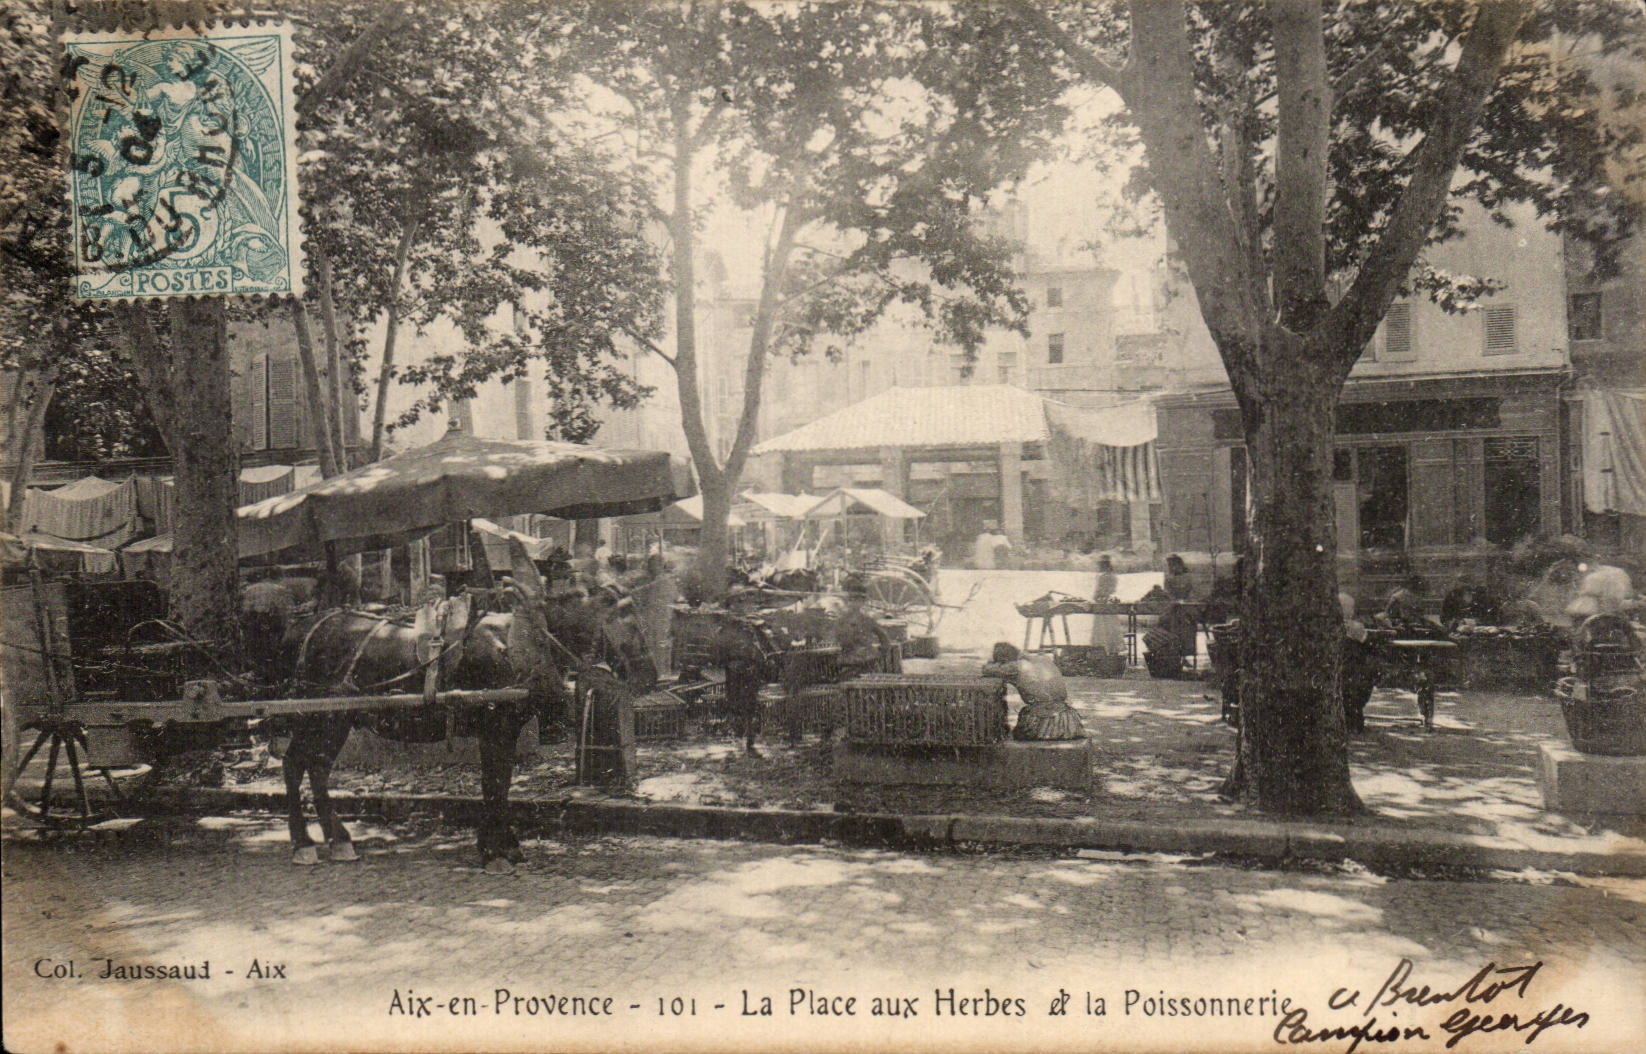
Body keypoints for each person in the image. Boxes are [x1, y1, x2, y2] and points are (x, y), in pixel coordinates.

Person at [981, 642, 1085, 741]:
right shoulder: (1044, 659)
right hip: (1069, 721)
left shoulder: (1014, 667)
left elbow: (986, 670)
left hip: (1042, 724)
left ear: (1004, 661)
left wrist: (993, 663)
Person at [1089, 554, 1123, 655]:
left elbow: (1097, 593)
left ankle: (1102, 650)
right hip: (1110, 604)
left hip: (1102, 604)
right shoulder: (1113, 576)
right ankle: (1113, 650)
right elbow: (1113, 590)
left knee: (1101, 628)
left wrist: (1096, 597)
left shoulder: (1102, 577)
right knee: (1112, 627)